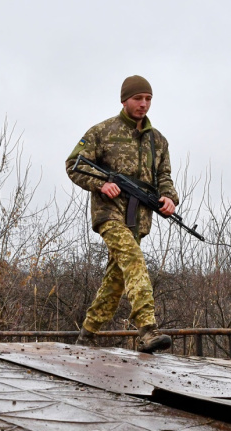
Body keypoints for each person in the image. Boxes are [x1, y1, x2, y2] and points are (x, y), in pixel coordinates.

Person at [66, 75, 180, 353]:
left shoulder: (158, 141)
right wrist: (101, 184)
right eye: (138, 98)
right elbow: (74, 164)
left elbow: (163, 176)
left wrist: (169, 198)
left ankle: (88, 334)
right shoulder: (102, 132)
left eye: (148, 99)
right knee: (133, 260)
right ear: (124, 100)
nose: (143, 104)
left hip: (138, 219)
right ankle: (147, 330)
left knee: (116, 280)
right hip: (109, 214)